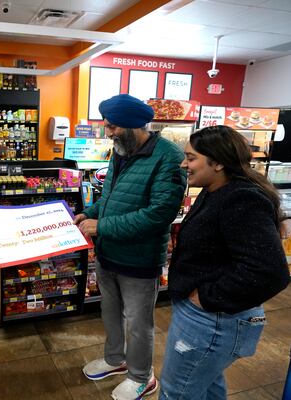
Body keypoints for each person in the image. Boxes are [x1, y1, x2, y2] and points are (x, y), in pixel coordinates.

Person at [159, 126, 290, 399]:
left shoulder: (240, 198)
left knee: (176, 393)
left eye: (191, 157)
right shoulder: (215, 190)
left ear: (218, 162)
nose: (184, 164)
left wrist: (206, 297)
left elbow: (269, 272)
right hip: (207, 320)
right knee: (207, 388)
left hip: (212, 322)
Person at [75, 94, 186, 400]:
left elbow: (159, 213)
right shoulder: (120, 150)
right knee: (109, 311)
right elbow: (110, 195)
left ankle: (142, 376)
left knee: (138, 323)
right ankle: (115, 359)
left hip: (139, 258)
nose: (107, 133)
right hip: (109, 253)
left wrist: (103, 226)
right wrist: (91, 213)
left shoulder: (169, 157)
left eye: (112, 127)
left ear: (133, 126)